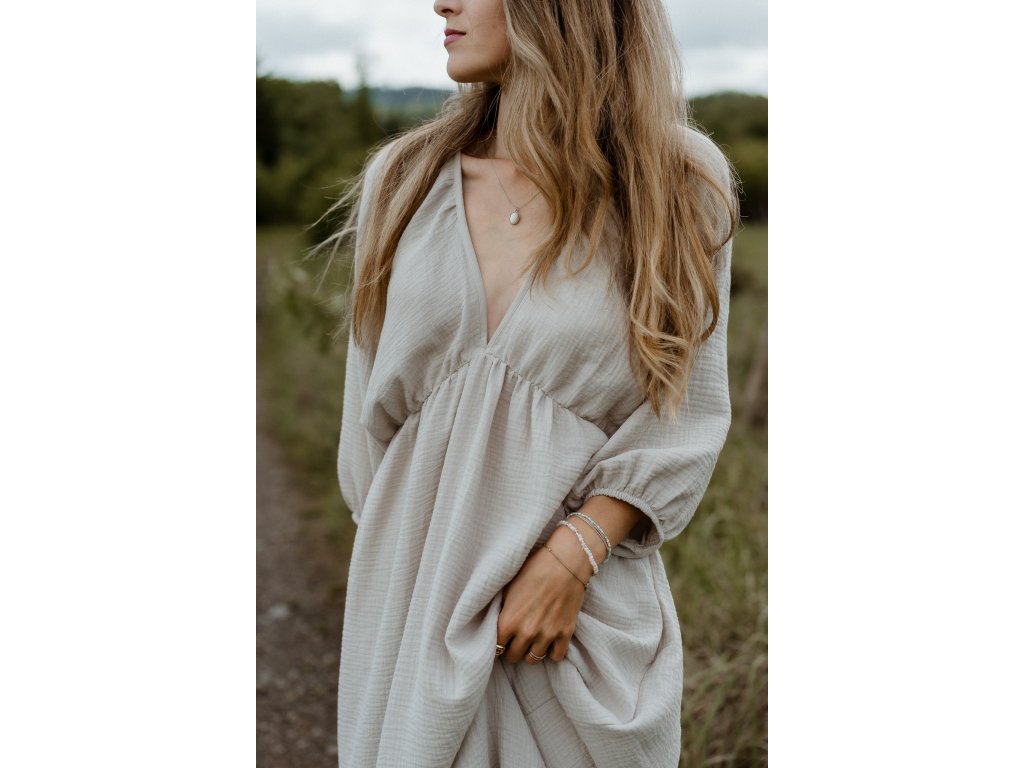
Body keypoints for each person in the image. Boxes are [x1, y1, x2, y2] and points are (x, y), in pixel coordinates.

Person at [315, 0, 739, 764]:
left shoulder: (676, 181)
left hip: (574, 623)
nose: (440, 3)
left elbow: (686, 411)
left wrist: (573, 555)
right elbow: (366, 424)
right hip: (415, 592)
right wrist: (425, 577)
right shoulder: (404, 180)